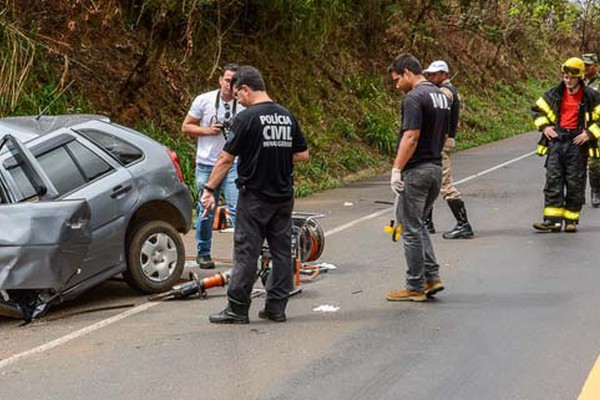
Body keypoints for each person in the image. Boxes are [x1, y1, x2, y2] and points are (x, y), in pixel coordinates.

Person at [200, 65, 309, 324]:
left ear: (246, 89)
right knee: (282, 251)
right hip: (283, 196)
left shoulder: (246, 118)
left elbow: (226, 158)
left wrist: (209, 189)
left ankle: (237, 308)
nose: (237, 99)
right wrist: (276, 152)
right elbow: (303, 154)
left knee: (247, 252)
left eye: (238, 94)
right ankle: (276, 307)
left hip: (255, 196)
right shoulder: (286, 115)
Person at [386, 53, 449, 302]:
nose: (396, 85)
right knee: (419, 223)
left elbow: (411, 136)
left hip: (417, 170)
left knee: (410, 228)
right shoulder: (441, 96)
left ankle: (414, 285)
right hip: (435, 168)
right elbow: (444, 134)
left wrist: (396, 169)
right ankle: (432, 277)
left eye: (396, 79)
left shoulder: (414, 97)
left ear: (407, 73)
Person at [181, 63, 245, 269]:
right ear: (220, 80)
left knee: (237, 209)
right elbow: (186, 127)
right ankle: (203, 253)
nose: (230, 85)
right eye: (227, 80)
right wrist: (209, 130)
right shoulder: (204, 100)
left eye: (234, 82)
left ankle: (243, 255)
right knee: (206, 209)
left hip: (233, 163)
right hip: (207, 163)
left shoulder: (243, 103)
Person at [532, 57, 600, 233]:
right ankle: (552, 221)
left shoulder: (591, 97)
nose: (567, 80)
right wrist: (545, 127)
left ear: (579, 77)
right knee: (553, 179)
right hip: (557, 140)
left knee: (575, 181)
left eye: (570, 77)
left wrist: (589, 133)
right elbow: (537, 109)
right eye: (564, 76)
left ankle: (571, 220)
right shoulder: (554, 94)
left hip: (577, 143)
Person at [423, 60, 475, 239]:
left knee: (445, 184)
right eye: (429, 74)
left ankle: (463, 224)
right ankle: (426, 222)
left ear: (444, 74)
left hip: (441, 142)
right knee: (431, 182)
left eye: (434, 74)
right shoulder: (444, 91)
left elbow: (439, 108)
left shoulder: (446, 92)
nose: (430, 77)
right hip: (440, 141)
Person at [583, 53, 600, 207]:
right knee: (578, 161)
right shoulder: (578, 82)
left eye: (588, 65)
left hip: (598, 126)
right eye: (584, 65)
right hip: (581, 127)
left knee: (595, 161)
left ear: (596, 66)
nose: (586, 68)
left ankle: (596, 191)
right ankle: (579, 194)